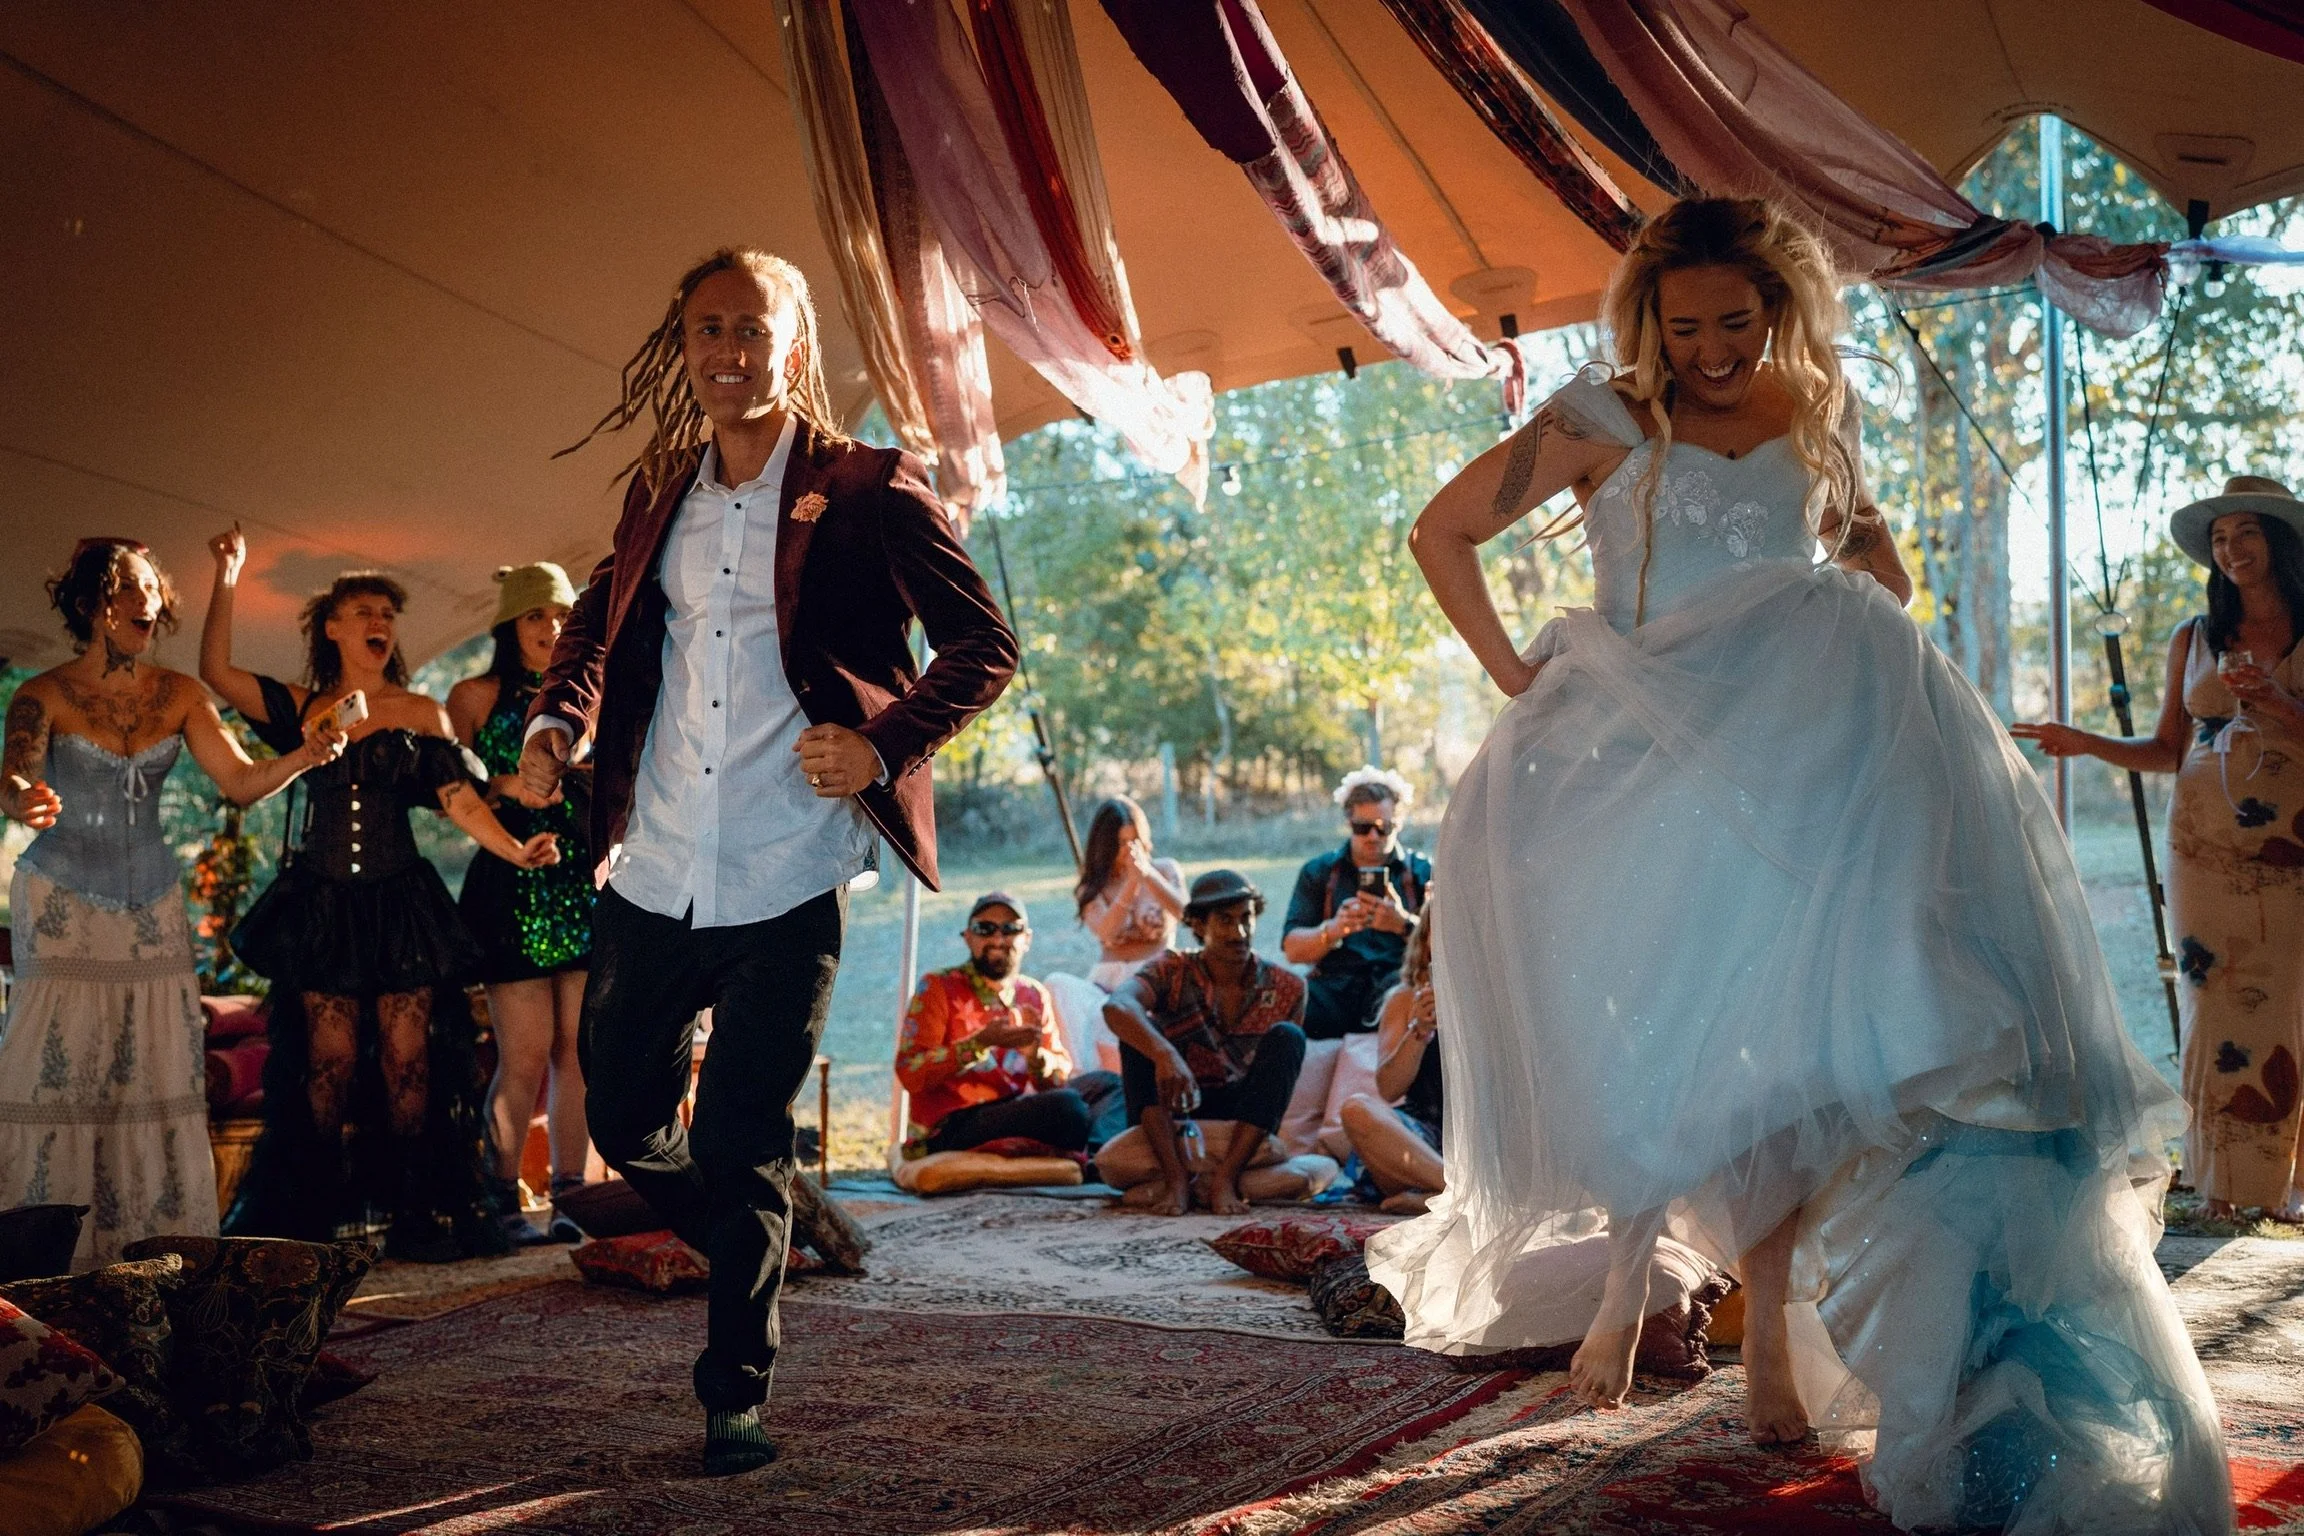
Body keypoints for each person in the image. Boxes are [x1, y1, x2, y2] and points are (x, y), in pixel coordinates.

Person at [1371, 197, 2230, 1534]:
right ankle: (1628, 1276)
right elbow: (1440, 533)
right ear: (1647, 314)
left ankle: (1767, 1326)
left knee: (1792, 1043)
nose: (1712, 347)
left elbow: (1873, 563)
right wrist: (1511, 671)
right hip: (1643, 744)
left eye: (1737, 320)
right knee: (1658, 1015)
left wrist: (1865, 569)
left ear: (1778, 310)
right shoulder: (1600, 417)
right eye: (1687, 321)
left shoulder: (1813, 412)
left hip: (1803, 758)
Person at [515, 247, 1015, 1475]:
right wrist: (554, 723)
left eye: (753, 329)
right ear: (683, 349)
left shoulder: (871, 489)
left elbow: (983, 645)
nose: (728, 351)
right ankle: (753, 1228)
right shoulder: (656, 491)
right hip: (655, 863)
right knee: (627, 1110)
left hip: (791, 871)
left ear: (796, 347)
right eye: (707, 330)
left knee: (742, 1134)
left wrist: (883, 744)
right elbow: (596, 624)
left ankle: (735, 1386)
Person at [200, 531, 561, 1264]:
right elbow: (213, 672)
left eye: (388, 615)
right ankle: (306, 1223)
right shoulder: (302, 707)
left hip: (401, 905)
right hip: (324, 904)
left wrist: (516, 849)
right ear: (332, 627)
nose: (381, 623)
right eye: (364, 610)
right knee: (326, 1063)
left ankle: (418, 1219)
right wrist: (228, 576)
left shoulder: (423, 712)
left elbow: (458, 799)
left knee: (409, 1061)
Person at [0, 538, 342, 1269]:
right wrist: (22, 800)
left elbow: (243, 783)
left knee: (149, 1075)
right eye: (129, 586)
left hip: (151, 905)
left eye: (153, 587)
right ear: (93, 601)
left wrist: (304, 757)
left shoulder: (183, 692)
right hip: (62, 903)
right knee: (61, 1074)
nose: (146, 601)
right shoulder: (43, 693)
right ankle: (47, 1258)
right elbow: (12, 778)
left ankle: (149, 1254)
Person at [2016, 475, 2304, 1224]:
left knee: (2291, 1000)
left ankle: (2288, 1183)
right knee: (2212, 999)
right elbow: (2167, 748)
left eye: (2246, 533)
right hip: (2203, 844)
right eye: (2220, 539)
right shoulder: (2195, 636)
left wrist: (2277, 704)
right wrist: (2082, 743)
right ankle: (2222, 1187)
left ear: (2276, 541)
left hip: (2293, 842)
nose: (2232, 549)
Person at [447, 562, 596, 1245]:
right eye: (537, 615)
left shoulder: (594, 693)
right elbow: (456, 793)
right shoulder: (472, 696)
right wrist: (513, 783)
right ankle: (498, 1198)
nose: (553, 627)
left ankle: (574, 1196)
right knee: (526, 1053)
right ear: (511, 623)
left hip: (580, 881)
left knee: (579, 1051)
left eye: (563, 614)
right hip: (511, 882)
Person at [1098, 869, 1309, 1216]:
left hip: (1242, 1122)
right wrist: (1164, 1053)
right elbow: (1117, 1006)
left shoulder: (1287, 987)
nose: (1239, 933)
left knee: (1289, 1038)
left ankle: (1224, 1179)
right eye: (1225, 921)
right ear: (1198, 926)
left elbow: (1275, 1085)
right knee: (1137, 1032)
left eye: (1246, 919)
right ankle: (1177, 1180)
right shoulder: (1172, 968)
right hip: (1176, 1109)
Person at [896, 893, 1092, 1156]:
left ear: (1027, 940)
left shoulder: (1032, 994)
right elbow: (910, 1072)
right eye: (985, 929)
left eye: (1011, 929)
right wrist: (979, 1043)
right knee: (1069, 1108)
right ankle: (1090, 1151)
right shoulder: (938, 986)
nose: (998, 939)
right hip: (951, 1124)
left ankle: (1099, 1151)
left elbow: (1057, 1079)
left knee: (1105, 1085)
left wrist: (1036, 1057)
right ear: (968, 937)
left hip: (1012, 1110)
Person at [1281, 767, 1430, 1038]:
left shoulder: (1421, 873)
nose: (1373, 837)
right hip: (1334, 986)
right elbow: (1292, 949)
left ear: (1399, 822)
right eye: (1364, 828)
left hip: (1398, 982)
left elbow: (1447, 949)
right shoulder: (1319, 872)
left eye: (1383, 828)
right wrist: (1333, 930)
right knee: (1285, 1011)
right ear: (1349, 822)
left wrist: (1404, 924)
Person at [1044, 796, 1185, 1073]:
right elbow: (1106, 933)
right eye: (1121, 843)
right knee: (1056, 985)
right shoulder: (1093, 885)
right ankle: (1081, 1077)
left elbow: (1187, 914)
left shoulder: (1166, 869)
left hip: (1153, 980)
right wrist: (1130, 885)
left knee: (1129, 1024)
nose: (1129, 849)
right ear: (1106, 846)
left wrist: (1147, 877)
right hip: (1105, 983)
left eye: (1135, 840)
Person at [1336, 905, 1445, 1215]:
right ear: (1427, 939)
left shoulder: (1500, 999)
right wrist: (1420, 1030)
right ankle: (1458, 1194)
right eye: (1443, 927)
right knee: (1357, 1110)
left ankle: (1436, 1199)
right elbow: (1388, 1089)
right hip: (1418, 1139)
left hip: (1483, 1141)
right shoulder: (1405, 998)